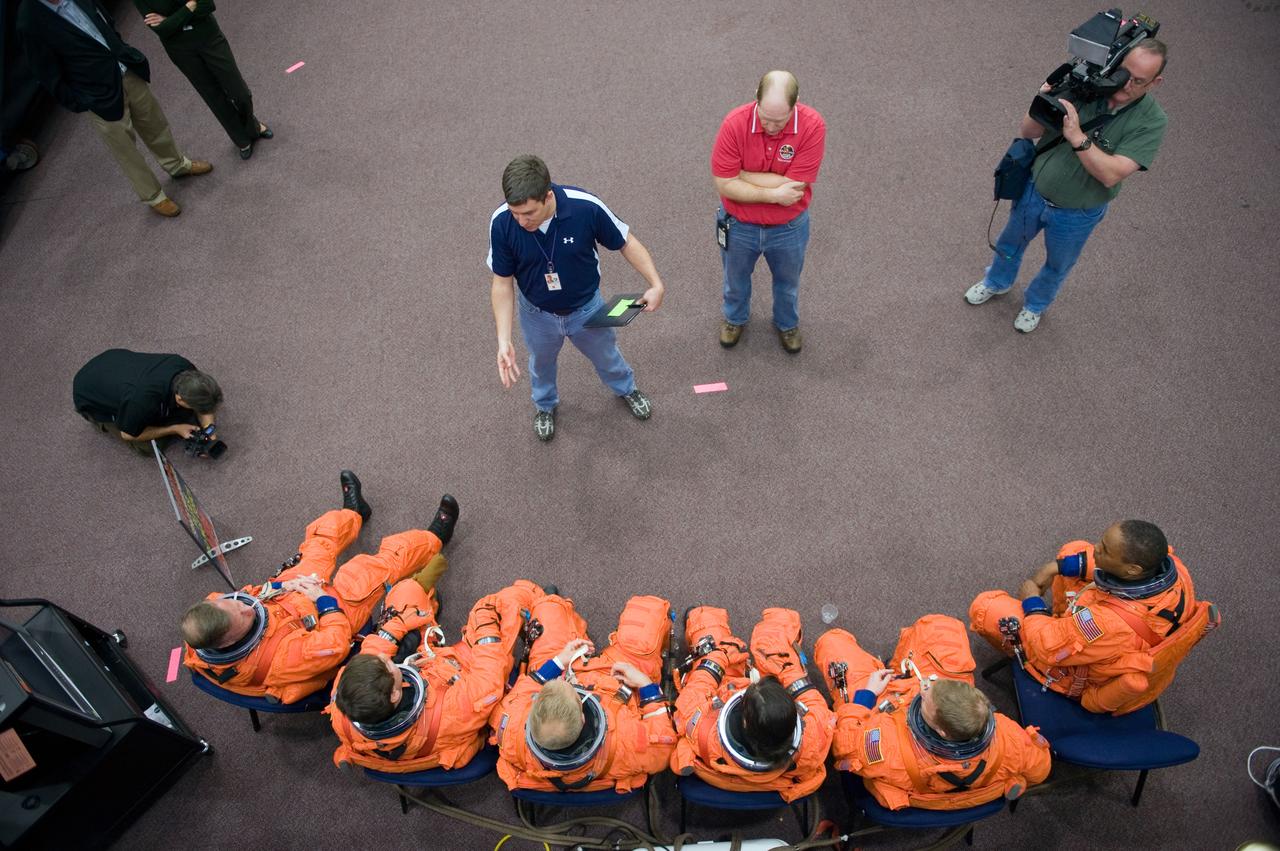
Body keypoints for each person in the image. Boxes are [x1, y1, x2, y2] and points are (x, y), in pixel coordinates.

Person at [182, 472, 460, 704]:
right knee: (369, 570)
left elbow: (251, 598)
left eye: (236, 601)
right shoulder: (283, 660)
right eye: (241, 612)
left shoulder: (210, 622)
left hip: (288, 599)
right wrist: (324, 602)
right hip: (326, 622)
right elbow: (335, 645)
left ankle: (353, 512)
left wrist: (280, 586)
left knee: (318, 543)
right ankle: (434, 538)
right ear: (228, 641)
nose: (245, 604)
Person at [964, 40, 1169, 332]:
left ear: (1156, 82)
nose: (1125, 85)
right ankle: (996, 282)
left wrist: (1077, 138)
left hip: (1077, 213)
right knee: (1010, 243)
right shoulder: (1086, 85)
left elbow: (1113, 174)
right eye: (1123, 73)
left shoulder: (1152, 121)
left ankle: (1035, 305)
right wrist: (1043, 97)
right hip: (1034, 191)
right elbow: (1028, 131)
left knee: (1058, 264)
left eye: (1138, 81)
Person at [488, 154, 666, 442]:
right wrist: (503, 340)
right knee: (541, 363)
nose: (521, 221)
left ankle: (626, 388)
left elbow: (626, 241)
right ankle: (545, 406)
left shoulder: (586, 207)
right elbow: (501, 283)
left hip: (586, 309)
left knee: (606, 355)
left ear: (547, 196)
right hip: (537, 314)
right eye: (515, 212)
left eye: (529, 213)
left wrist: (655, 283)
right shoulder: (501, 223)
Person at [970, 520, 1218, 715]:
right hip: (1118, 638)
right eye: (1102, 542)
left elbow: (1045, 645)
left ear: (1133, 570)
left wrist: (1032, 601)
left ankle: (1039, 640)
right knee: (1074, 551)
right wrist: (1055, 567)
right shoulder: (1175, 571)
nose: (1096, 550)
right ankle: (1060, 617)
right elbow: (1093, 559)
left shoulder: (1102, 624)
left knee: (986, 607)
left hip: (1082, 673)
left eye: (1104, 550)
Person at [815, 615, 1051, 811]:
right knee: (940, 624)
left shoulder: (884, 745)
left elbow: (843, 747)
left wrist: (865, 697)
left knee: (832, 641)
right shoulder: (1008, 736)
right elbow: (1040, 770)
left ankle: (891, 672)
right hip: (940, 765)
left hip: (888, 713)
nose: (925, 688)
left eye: (926, 697)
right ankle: (899, 667)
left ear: (939, 730)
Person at [327, 577, 546, 773]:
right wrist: (485, 628)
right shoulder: (452, 711)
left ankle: (428, 608)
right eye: (387, 665)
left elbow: (372, 654)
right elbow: (489, 678)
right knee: (498, 604)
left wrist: (396, 628)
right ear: (394, 696)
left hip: (428, 668)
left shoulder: (343, 703)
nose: (385, 658)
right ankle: (542, 602)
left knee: (407, 589)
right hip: (463, 678)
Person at [17, 0, 213, 216]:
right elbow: (47, 74)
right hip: (97, 95)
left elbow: (103, 18)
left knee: (155, 123)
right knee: (125, 148)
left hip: (124, 68)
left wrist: (122, 50)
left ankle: (177, 165)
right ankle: (154, 196)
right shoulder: (29, 22)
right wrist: (82, 101)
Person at [492, 591, 677, 793]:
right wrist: (645, 685)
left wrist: (558, 662)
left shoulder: (511, 731)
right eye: (573, 691)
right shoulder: (626, 740)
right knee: (648, 611)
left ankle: (560, 608)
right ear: (582, 716)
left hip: (567, 665)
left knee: (548, 608)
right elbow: (664, 747)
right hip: (620, 678)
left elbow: (521, 694)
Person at [711, 69, 826, 354]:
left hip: (789, 228)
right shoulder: (734, 123)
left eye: (779, 121)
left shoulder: (813, 126)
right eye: (765, 119)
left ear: (796, 103)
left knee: (788, 284)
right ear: (756, 99)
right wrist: (774, 193)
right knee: (734, 281)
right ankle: (734, 319)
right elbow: (725, 185)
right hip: (738, 226)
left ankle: (787, 324)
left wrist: (742, 174)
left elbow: (796, 187)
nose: (771, 127)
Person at [671, 606, 833, 801]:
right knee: (777, 637)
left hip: (724, 697)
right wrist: (785, 668)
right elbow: (814, 703)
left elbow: (694, 693)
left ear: (745, 721)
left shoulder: (704, 733)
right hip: (777, 781)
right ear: (795, 719)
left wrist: (718, 655)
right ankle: (781, 622)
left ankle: (702, 615)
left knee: (711, 632)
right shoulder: (812, 740)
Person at [132, 0, 272, 160]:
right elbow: (162, 30)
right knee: (213, 96)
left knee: (240, 92)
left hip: (209, 37)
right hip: (181, 51)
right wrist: (188, 7)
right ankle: (241, 139)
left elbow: (207, 5)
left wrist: (170, 19)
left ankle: (252, 127)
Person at [72, 348, 221, 447]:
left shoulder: (184, 366)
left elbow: (205, 404)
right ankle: (102, 422)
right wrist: (174, 429)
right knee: (151, 446)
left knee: (186, 413)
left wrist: (209, 432)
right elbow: (128, 435)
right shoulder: (141, 401)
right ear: (180, 399)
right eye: (196, 406)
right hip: (88, 394)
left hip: (112, 361)